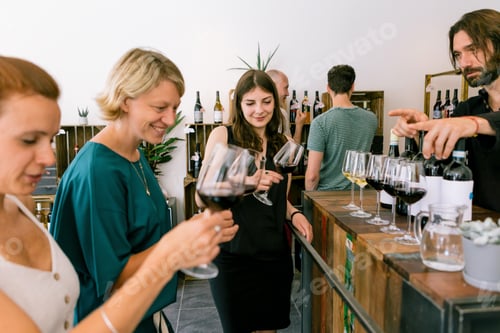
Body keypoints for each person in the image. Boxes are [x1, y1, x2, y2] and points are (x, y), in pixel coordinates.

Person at [0, 55, 232, 333]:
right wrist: (175, 248)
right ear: (124, 100)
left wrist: (189, 237)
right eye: (160, 107)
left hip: (143, 314)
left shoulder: (134, 155)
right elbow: (111, 279)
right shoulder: (97, 170)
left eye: (175, 108)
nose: (171, 119)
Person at [196, 69, 313, 333]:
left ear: (276, 102)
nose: (259, 110)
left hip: (273, 256)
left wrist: (295, 214)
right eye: (250, 103)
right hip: (231, 255)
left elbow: (281, 200)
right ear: (238, 104)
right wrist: (246, 183)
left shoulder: (283, 143)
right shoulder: (224, 136)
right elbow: (201, 197)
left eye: (266, 101)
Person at [389, 8, 500, 212]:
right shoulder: (468, 109)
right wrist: (421, 131)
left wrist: (473, 124)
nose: (465, 63)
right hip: (478, 233)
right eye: (459, 54)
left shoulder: (468, 118)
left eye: (474, 49)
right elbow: (441, 165)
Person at [305, 64, 377, 191]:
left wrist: (309, 200)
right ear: (353, 87)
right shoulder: (371, 119)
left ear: (328, 88)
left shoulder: (320, 123)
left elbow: (312, 176)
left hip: (326, 198)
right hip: (359, 196)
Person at [266, 69, 306, 143]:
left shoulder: (283, 114)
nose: (288, 93)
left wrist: (299, 126)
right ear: (272, 86)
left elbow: (291, 149)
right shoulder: (257, 115)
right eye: (286, 88)